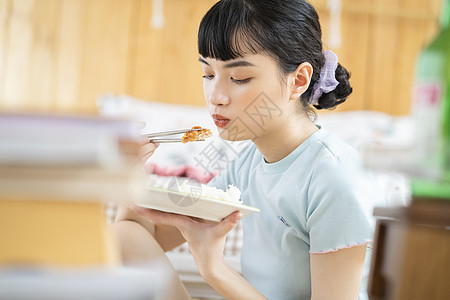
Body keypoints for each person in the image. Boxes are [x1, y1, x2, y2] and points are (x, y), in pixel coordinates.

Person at [112, 0, 384, 299]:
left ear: (299, 80)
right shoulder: (249, 163)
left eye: (239, 78)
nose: (216, 96)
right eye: (208, 74)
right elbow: (143, 234)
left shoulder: (334, 178)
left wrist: (212, 267)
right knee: (124, 236)